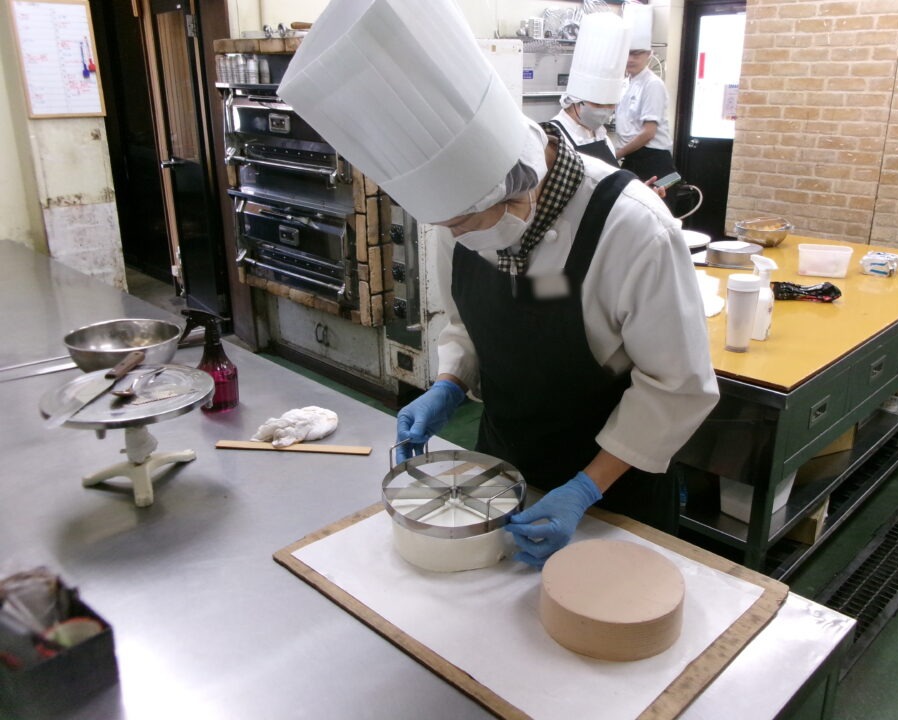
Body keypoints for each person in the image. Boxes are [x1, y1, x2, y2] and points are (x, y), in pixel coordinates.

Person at [280, 0, 718, 569]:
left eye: (465, 222)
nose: (457, 235)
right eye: (447, 224)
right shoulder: (456, 213)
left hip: (615, 491)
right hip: (500, 475)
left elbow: (676, 386)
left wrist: (584, 489)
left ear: (517, 186)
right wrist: (449, 382)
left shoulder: (633, 229)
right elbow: (471, 322)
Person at [547, 13, 630, 167]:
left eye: (611, 105)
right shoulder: (553, 138)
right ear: (576, 100)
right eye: (598, 104)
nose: (604, 111)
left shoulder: (602, 137)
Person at [614, 22, 681, 211]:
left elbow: (648, 133)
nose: (630, 59)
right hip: (633, 158)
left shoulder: (652, 84)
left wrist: (616, 154)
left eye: (636, 54)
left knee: (654, 216)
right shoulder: (626, 83)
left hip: (654, 161)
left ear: (649, 54)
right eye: (627, 53)